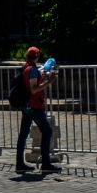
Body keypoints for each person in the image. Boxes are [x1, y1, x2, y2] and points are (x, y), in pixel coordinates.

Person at [15, 47, 58, 175]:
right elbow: (34, 89)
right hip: (34, 106)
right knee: (47, 131)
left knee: (23, 134)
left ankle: (19, 164)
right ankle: (45, 163)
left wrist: (41, 76)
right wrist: (48, 82)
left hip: (26, 105)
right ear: (37, 57)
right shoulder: (32, 70)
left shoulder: (25, 68)